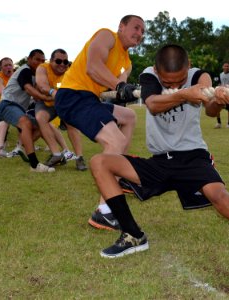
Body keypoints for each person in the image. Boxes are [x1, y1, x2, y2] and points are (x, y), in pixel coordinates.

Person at [89, 45, 229, 300]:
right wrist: (185, 94)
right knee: (100, 162)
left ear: (188, 68)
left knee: (221, 197)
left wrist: (218, 102)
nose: (173, 86)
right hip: (160, 161)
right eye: (168, 82)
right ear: (156, 71)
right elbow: (153, 104)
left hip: (193, 158)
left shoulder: (200, 76)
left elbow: (209, 109)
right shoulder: (149, 75)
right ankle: (133, 234)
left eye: (179, 81)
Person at [55, 15, 145, 230]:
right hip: (72, 96)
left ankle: (117, 173)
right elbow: (92, 67)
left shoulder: (127, 62)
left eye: (143, 31)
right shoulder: (107, 36)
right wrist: (118, 85)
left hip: (89, 99)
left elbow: (118, 90)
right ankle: (103, 212)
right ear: (121, 27)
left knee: (129, 116)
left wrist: (128, 90)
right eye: (135, 27)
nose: (139, 34)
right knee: (115, 141)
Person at [0, 49, 55, 172]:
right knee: (26, 123)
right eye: (37, 59)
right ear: (29, 59)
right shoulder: (25, 70)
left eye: (42, 60)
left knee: (42, 125)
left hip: (18, 108)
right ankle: (34, 165)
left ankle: (23, 147)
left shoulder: (35, 74)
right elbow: (29, 89)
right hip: (7, 104)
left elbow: (36, 92)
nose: (40, 62)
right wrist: (46, 97)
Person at [35, 48, 87, 170]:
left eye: (65, 62)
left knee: (71, 124)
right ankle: (56, 154)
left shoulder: (71, 71)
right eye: (58, 61)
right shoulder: (43, 68)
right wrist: (54, 92)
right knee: (40, 118)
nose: (62, 65)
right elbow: (42, 85)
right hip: (47, 103)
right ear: (51, 61)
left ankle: (79, 158)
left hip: (64, 103)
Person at [214, 62, 229, 128]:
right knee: (217, 108)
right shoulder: (220, 74)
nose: (226, 67)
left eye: (227, 66)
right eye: (225, 66)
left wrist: (228, 87)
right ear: (223, 67)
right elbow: (219, 83)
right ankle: (219, 123)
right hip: (221, 94)